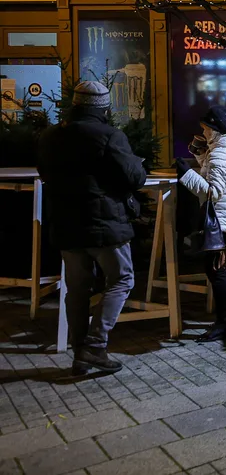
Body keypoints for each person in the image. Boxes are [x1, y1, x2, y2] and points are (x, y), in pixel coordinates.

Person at [38, 81, 147, 375]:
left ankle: (79, 351)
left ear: (76, 104)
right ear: (103, 107)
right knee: (121, 278)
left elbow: (44, 172)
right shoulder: (110, 136)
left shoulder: (50, 136)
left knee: (77, 289)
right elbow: (134, 177)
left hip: (66, 224)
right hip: (104, 224)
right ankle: (95, 346)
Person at [177, 105, 226, 342]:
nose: (204, 133)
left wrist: (185, 174)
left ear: (215, 130)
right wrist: (202, 155)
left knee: (217, 271)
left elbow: (213, 192)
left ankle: (225, 323)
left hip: (221, 219)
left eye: (206, 129)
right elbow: (216, 176)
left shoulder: (221, 152)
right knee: (220, 269)